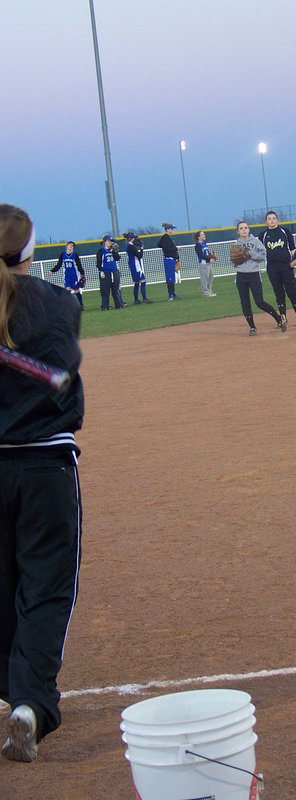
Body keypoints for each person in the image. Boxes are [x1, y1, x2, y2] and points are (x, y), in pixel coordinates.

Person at [0, 204, 84, 763]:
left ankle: (12, 687)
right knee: (46, 585)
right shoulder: (58, 302)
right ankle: (29, 703)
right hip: (44, 465)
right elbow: (59, 370)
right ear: (29, 252)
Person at [233, 221, 283, 335]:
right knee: (245, 302)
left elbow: (263, 256)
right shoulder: (236, 245)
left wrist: (250, 255)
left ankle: (278, 318)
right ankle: (252, 327)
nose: (244, 230)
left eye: (246, 228)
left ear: (249, 229)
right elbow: (233, 262)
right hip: (241, 275)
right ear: (238, 231)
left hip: (254, 274)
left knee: (259, 302)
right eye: (241, 228)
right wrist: (239, 259)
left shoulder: (255, 242)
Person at [258, 211, 296, 329]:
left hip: (286, 266)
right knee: (278, 292)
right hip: (272, 268)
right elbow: (259, 252)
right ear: (266, 222)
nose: (272, 220)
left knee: (291, 290)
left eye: (274, 218)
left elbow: (292, 250)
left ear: (277, 220)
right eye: (269, 218)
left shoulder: (285, 232)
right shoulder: (263, 235)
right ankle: (283, 317)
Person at [49, 241, 85, 308]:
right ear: (67, 246)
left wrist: (82, 274)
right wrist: (52, 271)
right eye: (70, 245)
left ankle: (81, 304)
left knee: (76, 290)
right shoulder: (63, 255)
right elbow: (59, 265)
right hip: (67, 276)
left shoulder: (75, 255)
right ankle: (69, 306)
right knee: (67, 290)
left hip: (74, 276)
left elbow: (79, 265)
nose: (71, 246)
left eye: (72, 246)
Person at [96, 235, 125, 310]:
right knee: (105, 290)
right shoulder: (101, 251)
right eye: (109, 241)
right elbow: (99, 263)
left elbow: (118, 258)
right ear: (105, 242)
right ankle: (105, 306)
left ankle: (118, 305)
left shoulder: (112, 251)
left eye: (111, 241)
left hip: (114, 272)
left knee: (115, 290)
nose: (110, 243)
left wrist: (113, 251)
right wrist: (101, 271)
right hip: (106, 273)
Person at [124, 232, 151, 304]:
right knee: (142, 281)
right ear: (131, 239)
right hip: (135, 266)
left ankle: (136, 300)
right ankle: (144, 299)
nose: (135, 239)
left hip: (134, 265)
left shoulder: (129, 246)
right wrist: (141, 248)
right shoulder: (131, 246)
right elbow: (139, 256)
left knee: (137, 282)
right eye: (134, 238)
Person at [156, 223, 181, 301]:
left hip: (171, 259)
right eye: (171, 229)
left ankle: (173, 293)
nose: (172, 230)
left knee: (172, 277)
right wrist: (176, 248)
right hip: (169, 259)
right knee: (170, 278)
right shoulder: (166, 237)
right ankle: (171, 295)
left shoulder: (167, 237)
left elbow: (160, 244)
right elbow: (166, 248)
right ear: (167, 229)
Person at [193, 230, 217, 297]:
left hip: (208, 263)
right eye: (202, 234)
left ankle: (209, 291)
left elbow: (207, 253)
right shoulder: (198, 245)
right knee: (205, 279)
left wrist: (212, 257)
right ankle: (205, 293)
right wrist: (209, 259)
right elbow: (201, 255)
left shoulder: (204, 244)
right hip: (203, 264)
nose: (204, 235)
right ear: (199, 237)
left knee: (210, 277)